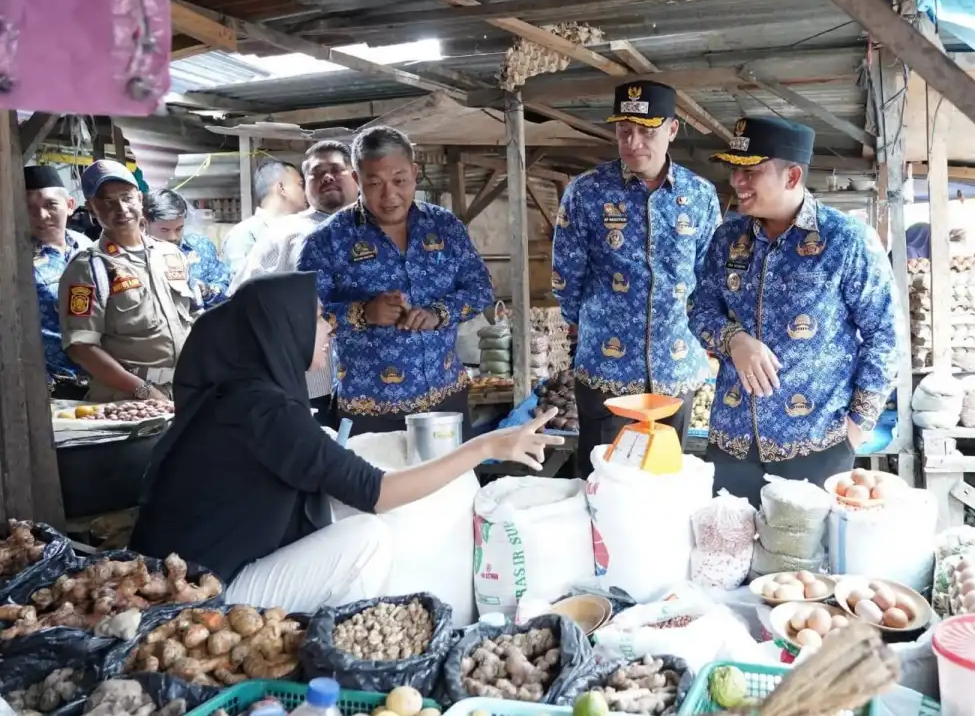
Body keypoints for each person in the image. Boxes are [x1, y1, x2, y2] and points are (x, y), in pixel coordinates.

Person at [128, 272, 562, 611]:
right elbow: (377, 493)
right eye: (317, 316)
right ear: (284, 327)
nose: (330, 326)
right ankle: (330, 655)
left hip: (183, 575)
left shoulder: (241, 394)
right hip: (201, 596)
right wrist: (485, 447)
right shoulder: (263, 410)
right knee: (366, 539)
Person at [690, 116, 901, 505]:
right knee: (726, 555)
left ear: (792, 177)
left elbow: (886, 337)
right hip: (732, 440)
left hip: (817, 443)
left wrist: (855, 427)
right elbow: (700, 308)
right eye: (735, 169)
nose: (736, 181)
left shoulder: (846, 240)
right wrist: (733, 339)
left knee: (808, 562)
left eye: (750, 171)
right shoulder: (728, 238)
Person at [551, 79, 719, 473]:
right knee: (603, 478)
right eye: (625, 131)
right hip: (606, 369)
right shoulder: (586, 192)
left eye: (647, 131)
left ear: (672, 130)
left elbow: (707, 278)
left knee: (661, 479)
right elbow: (566, 275)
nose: (634, 142)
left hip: (675, 369)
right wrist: (595, 323)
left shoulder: (699, 195)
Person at [299, 127, 493, 438]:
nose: (390, 195)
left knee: (454, 487)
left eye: (400, 181)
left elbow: (481, 289)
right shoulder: (327, 241)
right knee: (377, 487)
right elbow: (303, 319)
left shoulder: (445, 226)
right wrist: (363, 313)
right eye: (374, 183)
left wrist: (439, 313)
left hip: (445, 402)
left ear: (415, 173)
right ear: (356, 178)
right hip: (369, 411)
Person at [230, 141, 359, 428]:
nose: (327, 177)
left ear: (356, 177)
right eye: (316, 173)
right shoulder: (284, 234)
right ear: (306, 184)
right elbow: (243, 301)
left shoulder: (378, 230)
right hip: (310, 385)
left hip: (372, 382)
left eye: (336, 169)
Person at [58, 161, 198, 402]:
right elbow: (81, 347)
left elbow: (195, 316)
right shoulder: (88, 268)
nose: (121, 208)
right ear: (91, 208)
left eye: (127, 197)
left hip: (184, 388)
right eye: (108, 201)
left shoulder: (171, 255)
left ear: (140, 199)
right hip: (127, 399)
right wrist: (143, 390)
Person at [26, 166, 92, 399]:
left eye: (50, 205)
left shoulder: (86, 246)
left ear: (70, 205)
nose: (41, 216)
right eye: (29, 209)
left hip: (101, 378)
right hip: (49, 388)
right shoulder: (15, 260)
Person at [142, 189, 231, 310]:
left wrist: (206, 291)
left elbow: (226, 289)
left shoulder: (201, 247)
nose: (173, 237)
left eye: (179, 229)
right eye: (164, 230)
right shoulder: (137, 256)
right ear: (145, 224)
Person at [221, 160, 306, 278]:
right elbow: (240, 287)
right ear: (281, 188)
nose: (305, 192)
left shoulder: (301, 231)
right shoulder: (244, 234)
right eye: (300, 185)